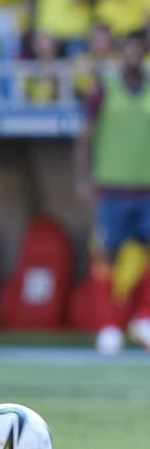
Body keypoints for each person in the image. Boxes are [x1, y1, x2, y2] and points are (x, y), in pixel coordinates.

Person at [74, 32, 150, 355]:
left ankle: (144, 317)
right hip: (113, 188)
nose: (133, 57)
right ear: (121, 54)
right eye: (128, 52)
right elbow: (86, 136)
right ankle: (109, 327)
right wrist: (83, 176)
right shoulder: (105, 89)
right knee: (106, 255)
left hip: (146, 187)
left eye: (139, 52)